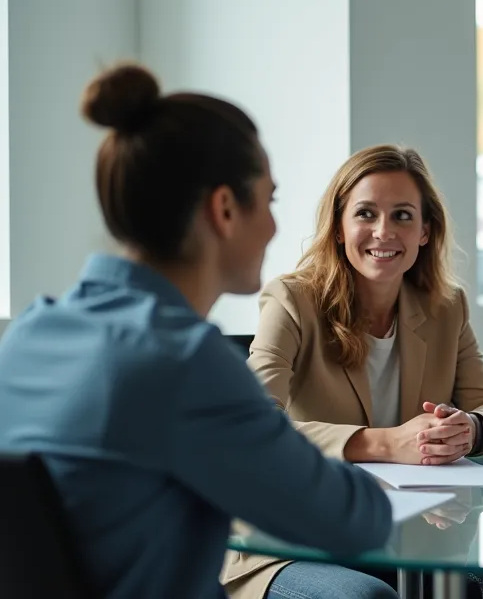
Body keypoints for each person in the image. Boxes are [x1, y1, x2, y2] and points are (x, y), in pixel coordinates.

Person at [0, 63, 392, 598]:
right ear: (224, 209)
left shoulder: (27, 336)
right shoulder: (183, 362)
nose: (275, 226)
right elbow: (356, 522)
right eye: (270, 200)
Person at [222, 144, 483, 599]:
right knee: (365, 597)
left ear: (425, 231)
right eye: (366, 214)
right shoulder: (292, 300)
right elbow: (252, 427)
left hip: (401, 533)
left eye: (403, 216)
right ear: (339, 228)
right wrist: (385, 443)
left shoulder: (446, 307)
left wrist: (469, 430)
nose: (384, 231)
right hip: (288, 541)